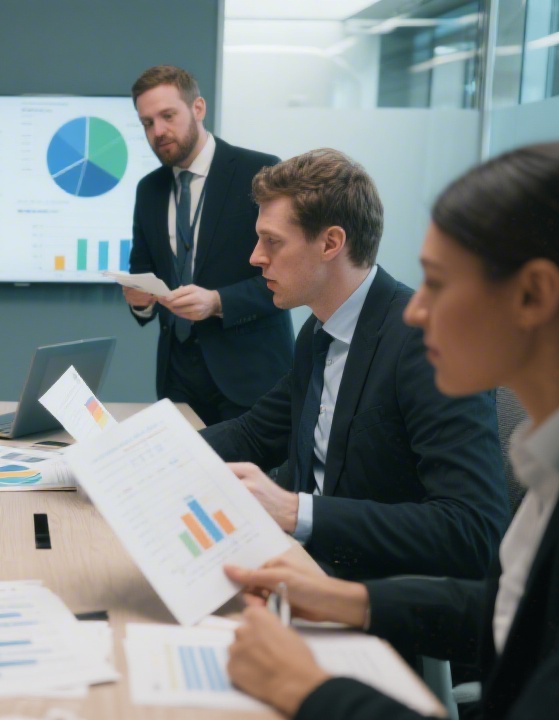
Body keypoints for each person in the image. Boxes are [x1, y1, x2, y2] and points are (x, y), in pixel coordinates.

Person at [223, 141, 559, 719]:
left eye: (438, 282)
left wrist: (307, 690)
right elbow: (516, 612)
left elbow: (475, 538)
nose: (416, 309)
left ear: (534, 295)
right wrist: (349, 600)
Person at [199, 148, 506, 581]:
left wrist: (296, 511)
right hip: (306, 567)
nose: (255, 257)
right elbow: (254, 433)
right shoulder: (319, 331)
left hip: (373, 592)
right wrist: (139, 457)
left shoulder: (428, 344)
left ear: (330, 243)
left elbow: (473, 532)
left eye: (273, 241)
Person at [123, 65, 293, 426]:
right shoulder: (148, 190)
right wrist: (140, 302)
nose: (158, 131)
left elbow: (290, 278)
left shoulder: (260, 172)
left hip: (251, 377)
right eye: (147, 123)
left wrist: (217, 302)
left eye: (168, 116)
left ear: (198, 108)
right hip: (177, 379)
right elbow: (143, 271)